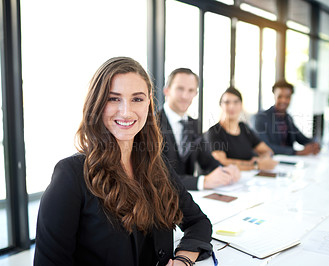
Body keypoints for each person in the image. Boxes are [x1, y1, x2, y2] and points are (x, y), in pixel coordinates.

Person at [34, 57, 213, 266]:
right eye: (113, 98)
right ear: (97, 104)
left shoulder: (158, 166)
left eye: (137, 99)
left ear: (149, 104)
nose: (126, 111)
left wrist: (183, 259)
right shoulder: (70, 175)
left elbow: (198, 222)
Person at [159, 68, 240, 190]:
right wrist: (203, 182)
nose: (185, 96)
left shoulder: (193, 124)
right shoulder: (151, 124)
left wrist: (226, 170)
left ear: (195, 94)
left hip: (188, 199)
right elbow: (157, 176)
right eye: (180, 89)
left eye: (191, 90)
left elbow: (207, 160)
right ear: (167, 90)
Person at [205, 87, 278, 171]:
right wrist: (255, 165)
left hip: (249, 177)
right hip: (228, 180)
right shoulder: (214, 132)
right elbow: (221, 161)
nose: (231, 106)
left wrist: (264, 159)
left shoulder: (244, 128)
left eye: (236, 102)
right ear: (221, 105)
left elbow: (267, 151)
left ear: (241, 105)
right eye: (227, 102)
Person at [253, 80, 320, 155]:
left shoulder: (288, 118)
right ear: (274, 96)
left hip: (289, 162)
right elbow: (265, 146)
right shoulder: (262, 118)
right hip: (272, 162)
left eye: (287, 97)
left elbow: (301, 138)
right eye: (280, 96)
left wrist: (314, 144)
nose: (284, 100)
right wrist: (296, 152)